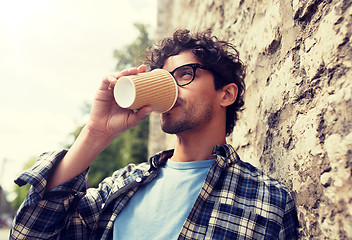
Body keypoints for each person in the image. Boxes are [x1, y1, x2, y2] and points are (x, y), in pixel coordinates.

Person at [11, 29, 299, 239]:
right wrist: (96, 133)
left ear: (226, 94)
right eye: (163, 78)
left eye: (185, 74)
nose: (170, 88)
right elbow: (30, 233)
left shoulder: (268, 200)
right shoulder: (124, 185)